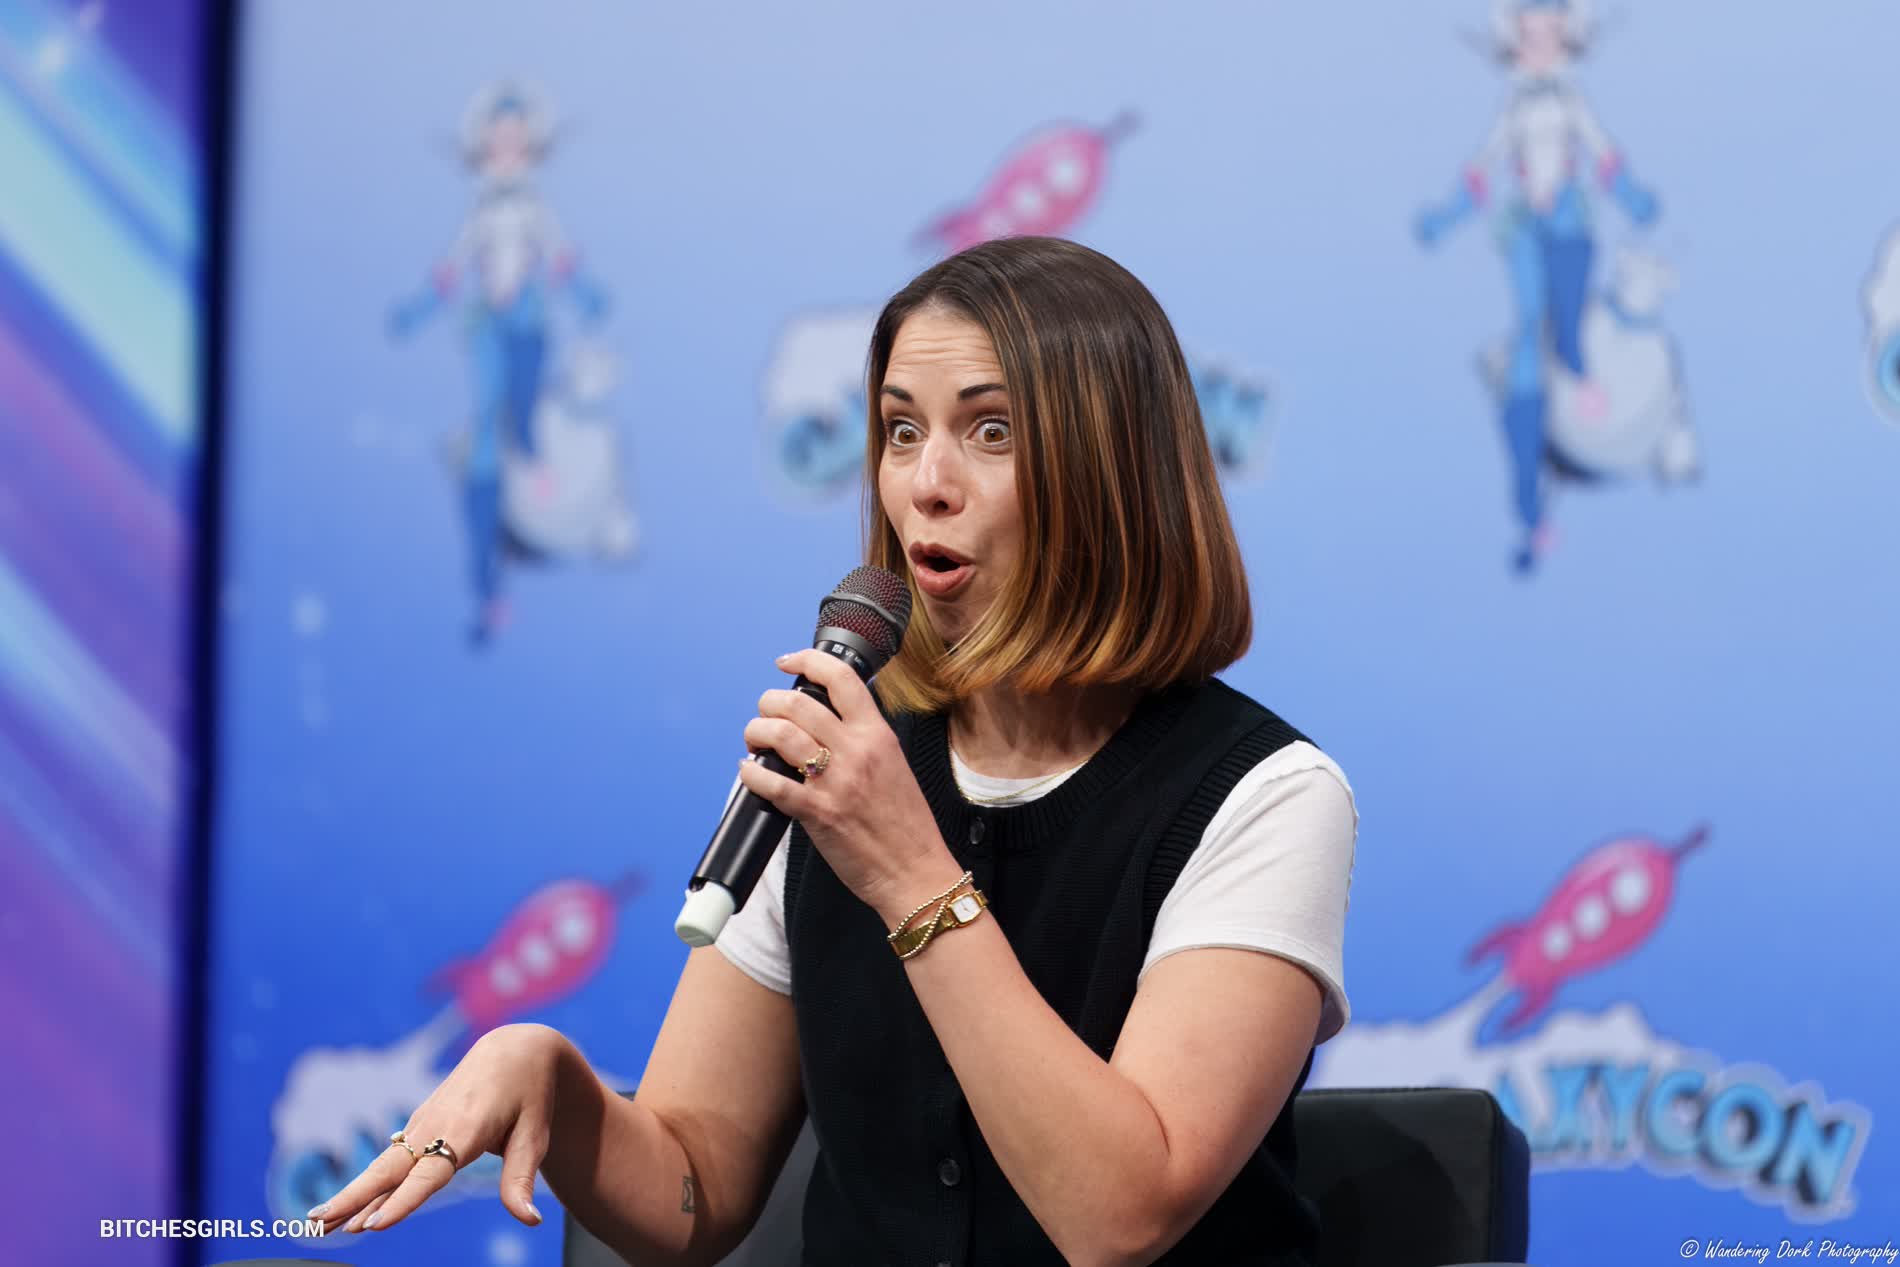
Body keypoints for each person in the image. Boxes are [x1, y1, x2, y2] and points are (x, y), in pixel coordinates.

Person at [308, 236, 1357, 1266]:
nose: (925, 483)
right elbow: (692, 1190)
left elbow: (1118, 1219)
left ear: (1111, 473)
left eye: (990, 431)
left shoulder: (1264, 795)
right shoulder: (834, 764)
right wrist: (555, 1083)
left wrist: (906, 870)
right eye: (901, 431)